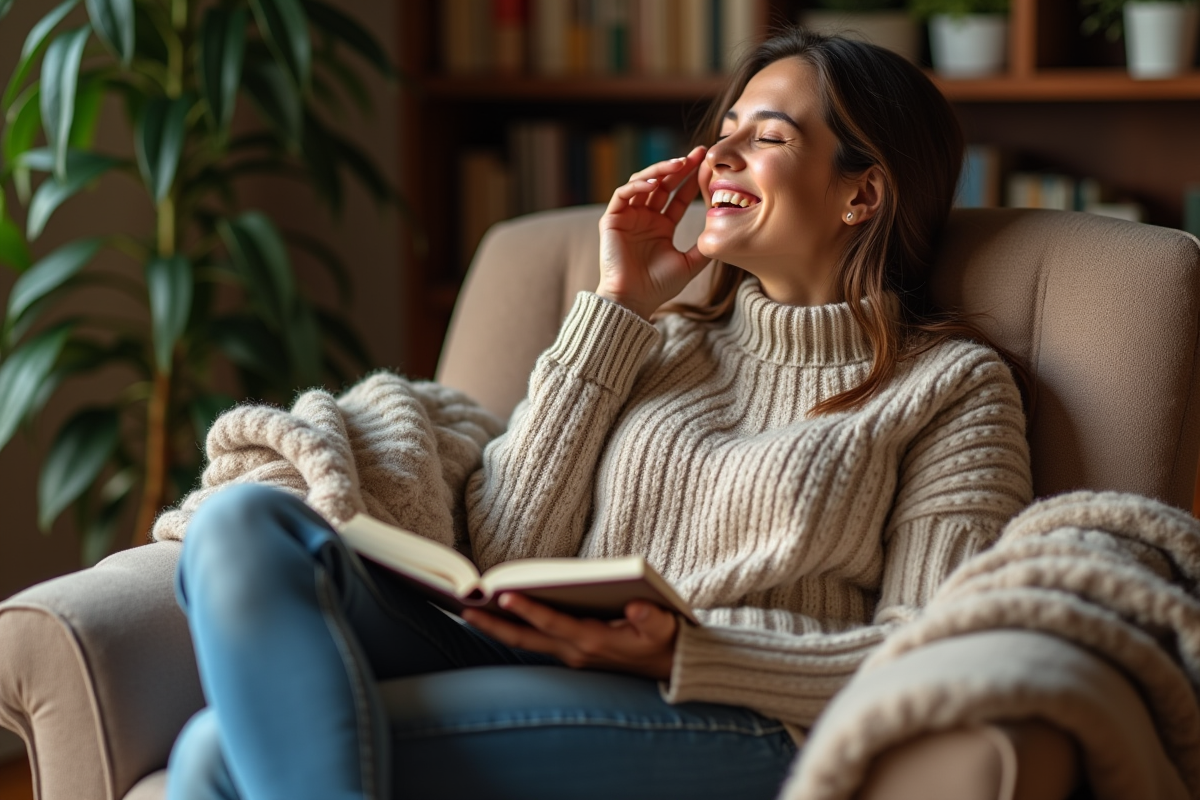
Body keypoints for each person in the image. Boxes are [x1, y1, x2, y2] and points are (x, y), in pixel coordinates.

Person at [165, 27, 1034, 800]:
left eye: (766, 137)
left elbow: (933, 648)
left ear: (863, 195)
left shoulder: (954, 388)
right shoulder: (658, 345)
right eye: (721, 132)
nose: (717, 158)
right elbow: (507, 553)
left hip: (741, 711)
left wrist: (680, 653)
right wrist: (618, 304)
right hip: (532, 653)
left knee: (213, 753)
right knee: (246, 523)